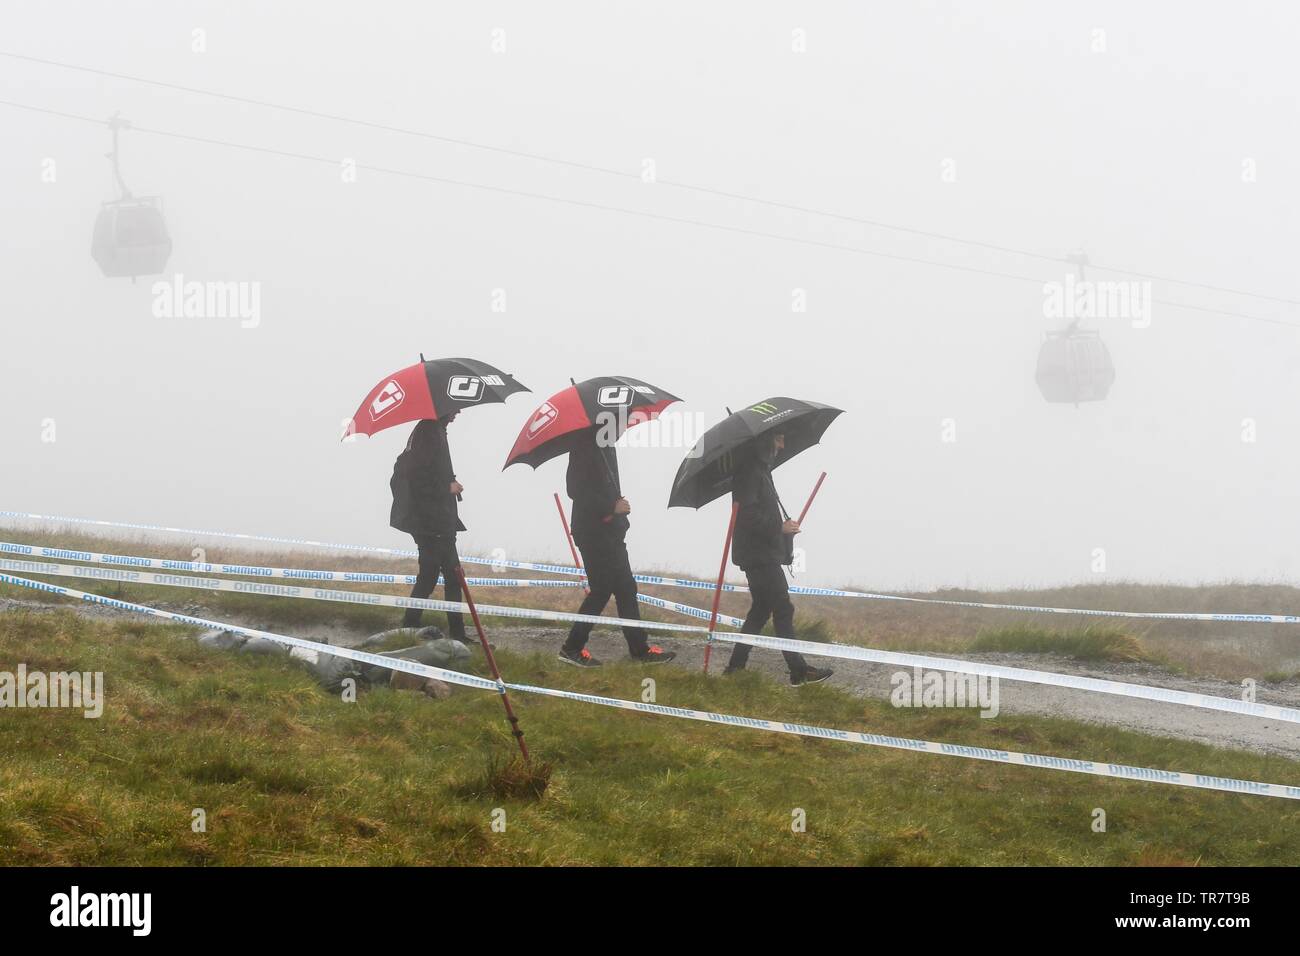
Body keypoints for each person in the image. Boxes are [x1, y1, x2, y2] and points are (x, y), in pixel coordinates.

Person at [557, 429, 676, 667]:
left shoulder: (605, 446)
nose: (623, 428)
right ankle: (571, 648)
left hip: (611, 532)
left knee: (626, 588)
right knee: (602, 590)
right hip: (592, 533)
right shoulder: (584, 446)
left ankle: (639, 650)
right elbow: (576, 491)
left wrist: (617, 512)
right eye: (618, 422)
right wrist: (612, 507)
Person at [723, 432, 834, 685]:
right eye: (779, 439)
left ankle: (734, 669)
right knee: (783, 607)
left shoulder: (760, 470)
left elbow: (758, 513)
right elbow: (746, 516)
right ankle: (799, 670)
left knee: (760, 611)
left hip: (761, 553)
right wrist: (779, 528)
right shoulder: (749, 472)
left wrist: (783, 526)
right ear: (765, 440)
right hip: (758, 555)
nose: (783, 445)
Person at [390, 415, 469, 644]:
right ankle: (414, 628)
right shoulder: (428, 431)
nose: (458, 413)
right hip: (430, 521)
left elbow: (433, 470)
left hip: (438, 520)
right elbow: (418, 477)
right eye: (455, 408)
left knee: (439, 577)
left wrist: (450, 480)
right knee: (441, 577)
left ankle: (415, 628)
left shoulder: (435, 430)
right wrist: (447, 486)